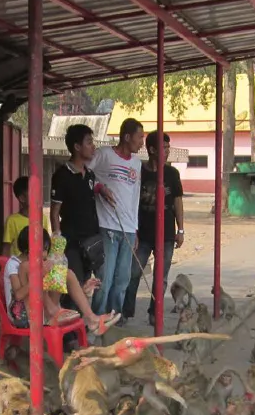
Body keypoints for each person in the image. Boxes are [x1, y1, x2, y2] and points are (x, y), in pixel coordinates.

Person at [4, 227, 116, 334]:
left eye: (46, 250)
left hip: (40, 307)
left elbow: (53, 284)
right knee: (33, 270)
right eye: (43, 249)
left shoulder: (37, 263)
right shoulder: (14, 264)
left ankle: (91, 317)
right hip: (21, 314)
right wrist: (39, 276)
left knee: (67, 273)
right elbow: (18, 295)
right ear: (28, 249)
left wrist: (82, 289)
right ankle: (53, 312)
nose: (45, 254)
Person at [124, 131, 185, 323]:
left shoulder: (172, 174)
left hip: (166, 234)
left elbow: (177, 202)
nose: (167, 151)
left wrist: (180, 229)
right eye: (163, 148)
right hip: (142, 233)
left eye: (168, 147)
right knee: (133, 273)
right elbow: (131, 201)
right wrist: (133, 230)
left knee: (161, 277)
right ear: (151, 150)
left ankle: (154, 313)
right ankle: (126, 313)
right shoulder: (139, 172)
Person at [50, 124, 113, 310]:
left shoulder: (90, 175)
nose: (93, 146)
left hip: (91, 241)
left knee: (87, 286)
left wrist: (103, 189)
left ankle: (82, 329)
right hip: (72, 243)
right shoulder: (62, 175)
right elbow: (54, 212)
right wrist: (57, 244)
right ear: (77, 147)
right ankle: (70, 337)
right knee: (73, 287)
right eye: (89, 142)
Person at [90, 117, 144, 317]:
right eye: (139, 137)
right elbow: (85, 173)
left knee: (123, 278)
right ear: (127, 136)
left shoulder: (137, 164)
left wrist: (135, 229)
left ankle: (115, 316)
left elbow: (134, 197)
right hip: (107, 226)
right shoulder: (104, 154)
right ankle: (97, 317)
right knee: (106, 276)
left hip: (128, 229)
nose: (141, 142)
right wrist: (99, 188)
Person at [1, 176, 31, 257]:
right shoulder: (12, 220)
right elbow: (6, 248)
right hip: (17, 267)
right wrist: (4, 267)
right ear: (22, 198)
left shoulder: (43, 219)